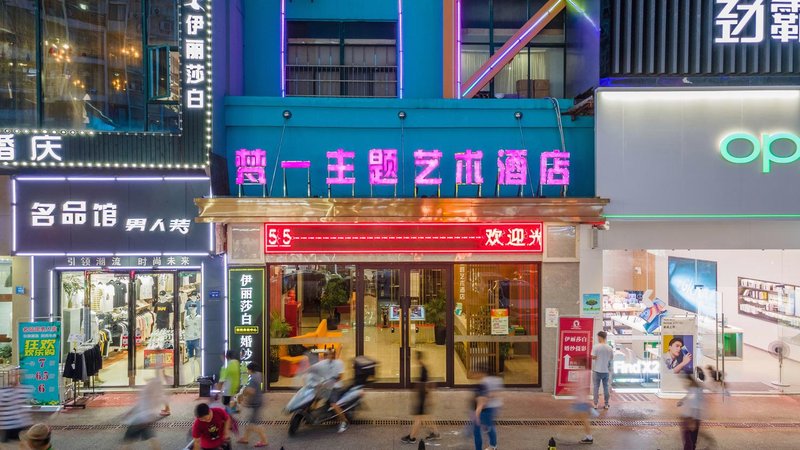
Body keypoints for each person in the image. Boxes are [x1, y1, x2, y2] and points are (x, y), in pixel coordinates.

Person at [400, 351, 440, 445]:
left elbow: (427, 385)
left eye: (416, 359)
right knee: (425, 416)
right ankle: (435, 433)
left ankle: (412, 437)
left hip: (423, 396)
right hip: (423, 395)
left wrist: (429, 398)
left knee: (419, 418)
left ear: (419, 359)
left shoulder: (423, 369)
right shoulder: (423, 368)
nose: (415, 361)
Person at [308, 347, 348, 432]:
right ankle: (310, 414)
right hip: (326, 387)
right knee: (316, 396)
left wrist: (332, 381)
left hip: (335, 387)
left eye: (332, 354)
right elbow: (313, 368)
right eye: (328, 354)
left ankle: (344, 421)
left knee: (333, 404)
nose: (330, 356)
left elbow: (340, 376)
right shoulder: (324, 363)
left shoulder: (339, 363)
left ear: (334, 355)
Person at [121, 374, 164, 450]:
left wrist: (129, 413)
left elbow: (140, 405)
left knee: (127, 442)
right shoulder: (155, 397)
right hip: (145, 421)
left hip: (138, 421)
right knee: (153, 440)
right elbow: (146, 408)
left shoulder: (146, 393)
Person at [236, 363, 268, 448]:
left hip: (256, 403)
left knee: (253, 424)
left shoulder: (253, 378)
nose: (247, 371)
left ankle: (264, 440)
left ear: (250, 369)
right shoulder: (258, 374)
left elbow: (251, 391)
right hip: (258, 401)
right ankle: (245, 438)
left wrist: (243, 395)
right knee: (250, 422)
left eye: (247, 369)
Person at [472, 364, 502, 450]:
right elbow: (496, 393)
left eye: (477, 372)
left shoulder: (484, 382)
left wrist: (477, 411)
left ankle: (492, 445)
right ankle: (493, 445)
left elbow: (483, 399)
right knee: (487, 426)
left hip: (487, 408)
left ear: (482, 373)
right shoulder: (496, 380)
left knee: (482, 428)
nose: (475, 374)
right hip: (493, 406)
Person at [0, 371, 33, 443]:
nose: (15, 377)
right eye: (13, 375)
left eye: (17, 375)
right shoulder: (3, 391)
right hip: (7, 425)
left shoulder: (24, 390)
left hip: (18, 423)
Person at [677, 373, 704, 450]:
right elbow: (689, 397)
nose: (684, 384)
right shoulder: (694, 390)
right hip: (694, 417)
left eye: (685, 382)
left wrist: (692, 420)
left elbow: (694, 405)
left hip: (690, 418)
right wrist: (682, 401)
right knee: (692, 440)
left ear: (689, 381)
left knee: (689, 440)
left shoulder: (694, 391)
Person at [572, 368, 597, 445]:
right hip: (580, 400)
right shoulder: (586, 373)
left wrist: (586, 401)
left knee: (584, 420)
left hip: (581, 401)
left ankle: (589, 437)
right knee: (579, 418)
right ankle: (589, 437)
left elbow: (586, 388)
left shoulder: (586, 373)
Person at [591, 331, 613, 410]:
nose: (597, 338)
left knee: (596, 387)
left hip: (597, 370)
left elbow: (593, 357)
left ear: (600, 337)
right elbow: (611, 358)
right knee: (606, 387)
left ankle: (595, 404)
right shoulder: (609, 347)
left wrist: (597, 357)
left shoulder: (596, 347)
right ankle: (606, 404)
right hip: (606, 371)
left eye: (598, 337)